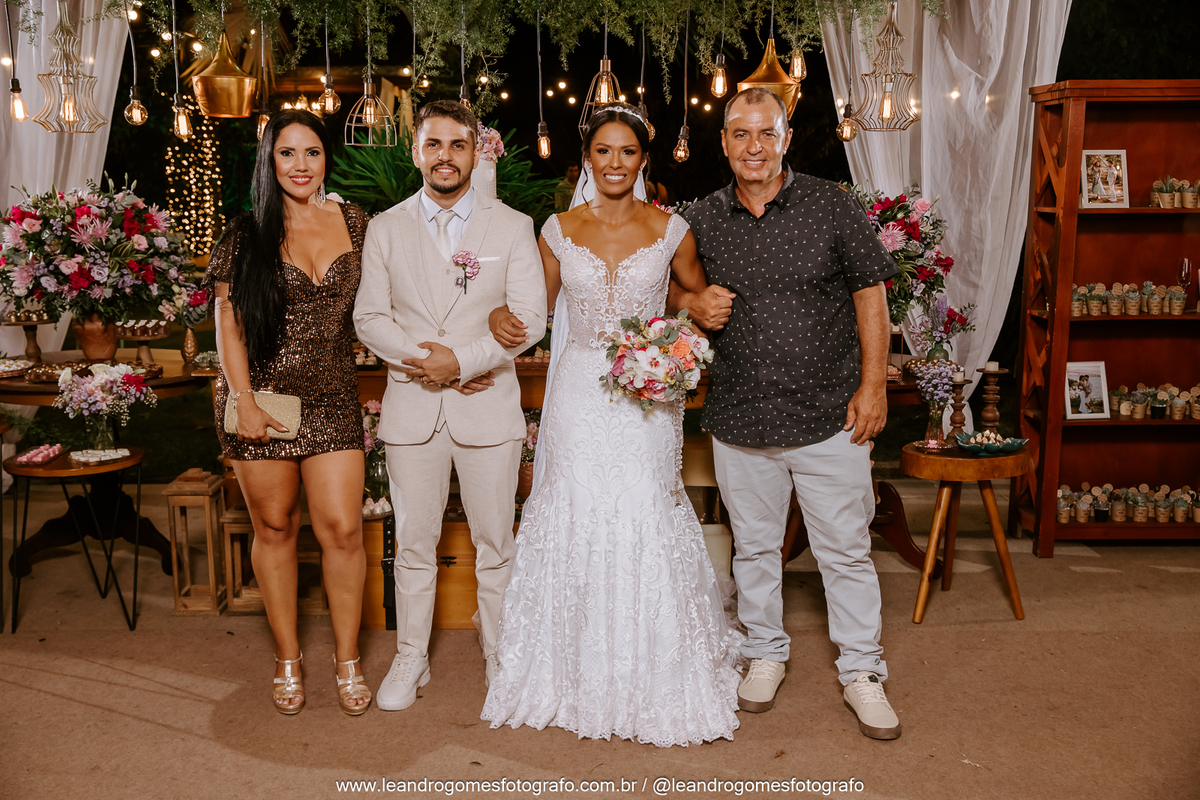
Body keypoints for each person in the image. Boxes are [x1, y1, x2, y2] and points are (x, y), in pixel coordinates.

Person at [481, 103, 743, 747]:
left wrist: (683, 330)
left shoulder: (672, 229)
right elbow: (533, 310)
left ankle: (655, 669)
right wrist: (495, 318)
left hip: (645, 394)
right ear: (588, 159)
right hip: (578, 391)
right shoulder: (558, 230)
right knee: (574, 505)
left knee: (644, 506)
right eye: (604, 151)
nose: (616, 163)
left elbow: (689, 300)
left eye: (627, 151)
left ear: (643, 159)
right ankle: (566, 668)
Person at [668, 87, 903, 740]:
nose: (754, 146)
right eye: (741, 133)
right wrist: (690, 304)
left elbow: (870, 295)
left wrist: (874, 386)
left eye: (766, 133)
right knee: (754, 549)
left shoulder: (831, 204)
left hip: (830, 414)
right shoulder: (701, 219)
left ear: (786, 139)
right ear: (724, 142)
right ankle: (765, 652)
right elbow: (660, 284)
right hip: (741, 417)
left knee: (846, 552)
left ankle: (862, 671)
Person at [353, 100, 547, 711]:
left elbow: (531, 319)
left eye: (457, 145)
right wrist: (428, 363)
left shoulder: (512, 225)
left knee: (496, 543)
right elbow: (369, 318)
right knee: (414, 543)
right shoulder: (385, 228)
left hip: (487, 408)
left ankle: (500, 653)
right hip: (413, 409)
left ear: (473, 153)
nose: (445, 156)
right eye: (433, 144)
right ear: (416, 152)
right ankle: (412, 656)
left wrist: (460, 362)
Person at [209, 109, 372, 716]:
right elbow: (228, 324)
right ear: (269, 162)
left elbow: (390, 299)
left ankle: (348, 660)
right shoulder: (245, 233)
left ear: (327, 158)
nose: (301, 166)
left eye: (312, 152)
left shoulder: (357, 222)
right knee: (275, 527)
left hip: (332, 393)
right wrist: (244, 399)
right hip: (263, 398)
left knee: (344, 530)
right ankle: (287, 658)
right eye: (287, 153)